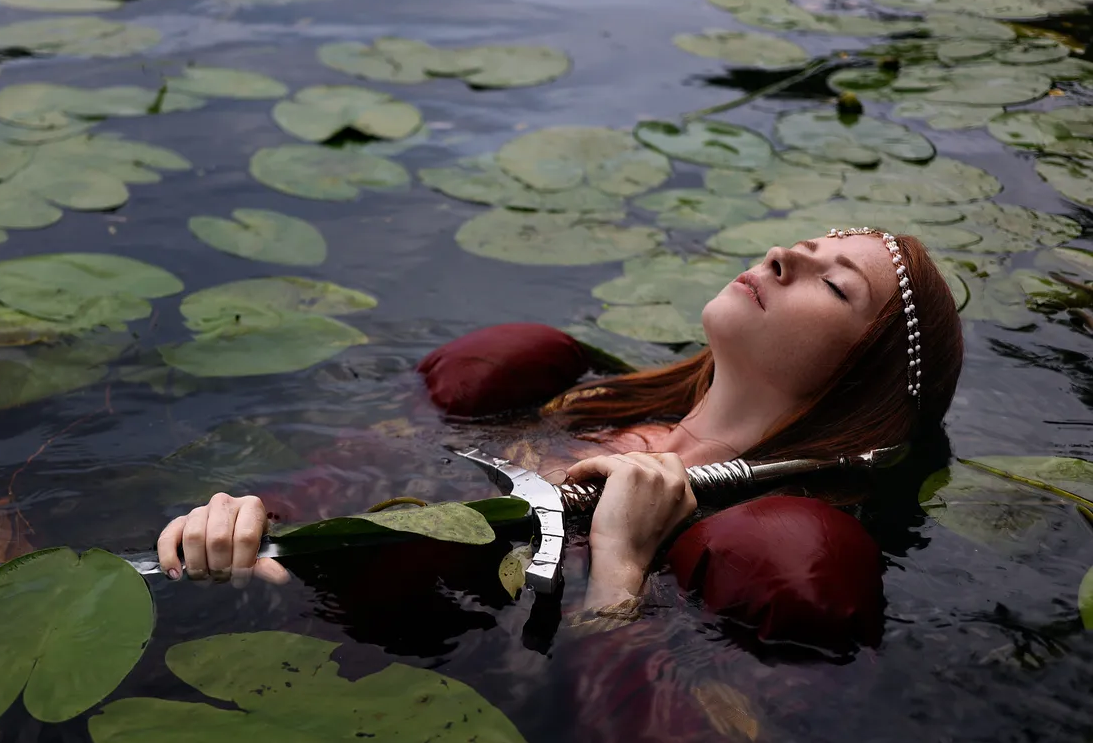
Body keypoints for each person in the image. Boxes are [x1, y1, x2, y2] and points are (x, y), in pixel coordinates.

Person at [157, 228, 965, 616]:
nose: (786, 259)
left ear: (866, 380)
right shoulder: (580, 405)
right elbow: (371, 471)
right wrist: (256, 512)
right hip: (243, 598)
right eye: (804, 245)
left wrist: (617, 572)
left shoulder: (730, 537)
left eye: (836, 286)